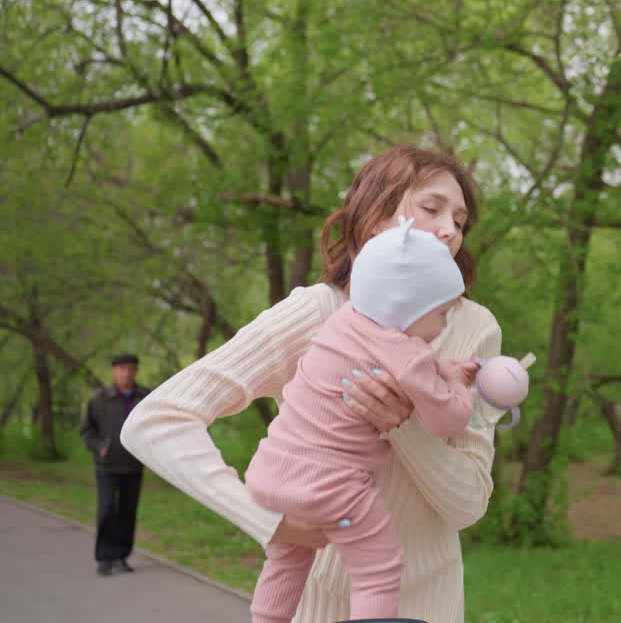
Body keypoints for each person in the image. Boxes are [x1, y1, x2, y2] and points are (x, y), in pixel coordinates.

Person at [122, 146, 510, 623]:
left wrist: (402, 425)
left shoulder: (475, 329)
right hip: (317, 607)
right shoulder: (318, 312)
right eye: (432, 208)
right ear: (374, 219)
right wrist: (269, 521)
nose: (450, 229)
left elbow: (468, 505)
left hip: (431, 607)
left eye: (460, 220)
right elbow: (156, 420)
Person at [245, 218, 475, 623]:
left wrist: (440, 370)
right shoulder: (409, 356)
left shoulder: (344, 322)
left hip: (274, 473)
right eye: (441, 313)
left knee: (288, 559)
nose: (444, 325)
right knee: (378, 569)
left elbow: (398, 359)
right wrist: (457, 385)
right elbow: (449, 420)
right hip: (333, 489)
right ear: (408, 307)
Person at [80, 352, 151, 576]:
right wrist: (99, 446)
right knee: (107, 509)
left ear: (136, 371)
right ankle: (104, 557)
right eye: (122, 369)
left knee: (128, 512)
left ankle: (121, 556)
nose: (126, 373)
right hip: (107, 466)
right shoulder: (99, 399)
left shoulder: (146, 397)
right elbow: (86, 431)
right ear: (113, 371)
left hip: (134, 465)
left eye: (130, 368)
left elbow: (154, 426)